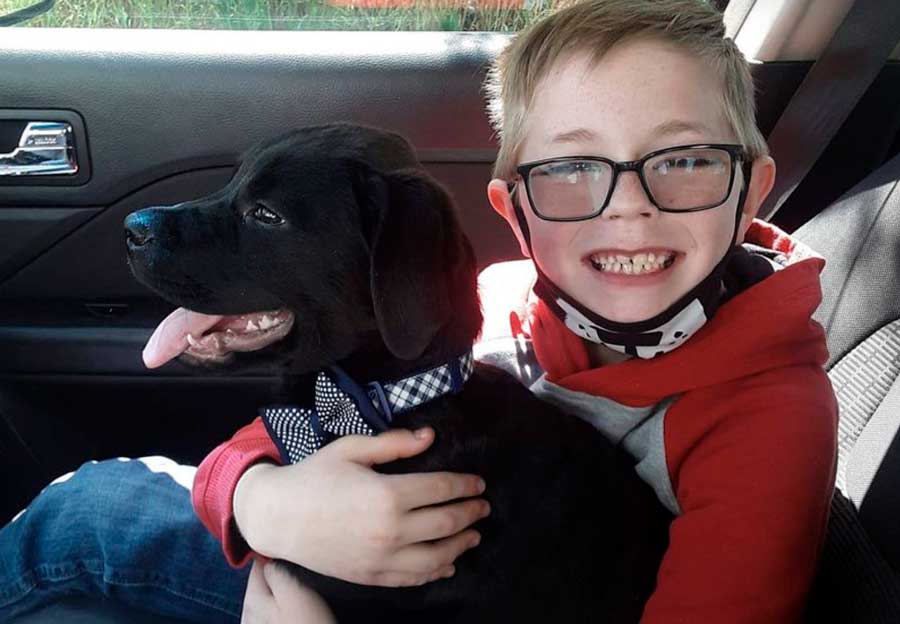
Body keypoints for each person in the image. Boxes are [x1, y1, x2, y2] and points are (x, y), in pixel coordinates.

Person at [0, 1, 837, 622]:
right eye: (571, 167)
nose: (629, 205)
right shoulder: (502, 304)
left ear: (751, 188)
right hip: (320, 556)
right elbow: (297, 426)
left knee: (88, 516)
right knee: (89, 504)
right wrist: (262, 503)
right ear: (514, 208)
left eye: (683, 160)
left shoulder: (767, 424)